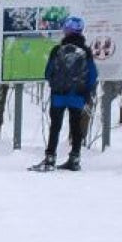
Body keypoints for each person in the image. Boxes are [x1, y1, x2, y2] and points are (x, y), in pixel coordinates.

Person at [38, 17, 98, 171]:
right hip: (77, 95)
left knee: (55, 126)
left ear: (66, 31)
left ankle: (50, 157)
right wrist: (86, 90)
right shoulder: (86, 51)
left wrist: (54, 82)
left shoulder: (57, 50)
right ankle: (75, 158)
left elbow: (47, 73)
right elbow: (92, 74)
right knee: (75, 126)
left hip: (58, 95)